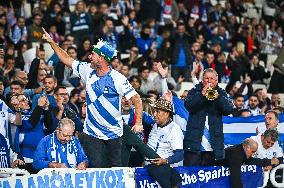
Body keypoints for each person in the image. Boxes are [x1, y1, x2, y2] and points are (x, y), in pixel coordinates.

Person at [42, 28, 143, 167]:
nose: (89, 57)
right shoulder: (87, 70)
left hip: (114, 133)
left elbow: (137, 99)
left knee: (116, 170)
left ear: (101, 59)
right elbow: (66, 58)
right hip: (92, 132)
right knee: (96, 169)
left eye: (93, 55)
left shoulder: (117, 78)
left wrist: (138, 122)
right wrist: (51, 41)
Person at [183, 68, 234, 166]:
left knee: (209, 178)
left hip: (212, 146)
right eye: (206, 78)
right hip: (194, 145)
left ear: (216, 80)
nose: (209, 81)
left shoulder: (222, 93)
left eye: (211, 78)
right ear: (202, 80)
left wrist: (218, 98)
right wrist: (201, 95)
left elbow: (228, 110)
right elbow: (189, 106)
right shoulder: (194, 91)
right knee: (191, 175)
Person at [147, 97, 184, 167]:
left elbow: (180, 154)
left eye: (158, 112)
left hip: (164, 167)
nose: (154, 114)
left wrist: (165, 161)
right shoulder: (155, 123)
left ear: (167, 114)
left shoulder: (174, 130)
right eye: (154, 111)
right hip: (148, 165)